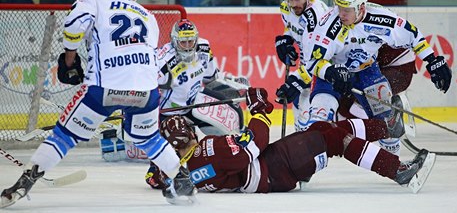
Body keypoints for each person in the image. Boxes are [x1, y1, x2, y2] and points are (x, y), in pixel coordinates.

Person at [0, 0, 196, 208]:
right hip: (146, 93)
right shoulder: (149, 16)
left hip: (104, 89)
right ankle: (182, 180)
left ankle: (24, 182)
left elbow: (73, 24)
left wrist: (69, 59)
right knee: (148, 139)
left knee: (64, 136)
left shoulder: (95, 1)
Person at [275, 0, 452, 155]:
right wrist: (330, 72)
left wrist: (433, 61)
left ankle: (396, 165)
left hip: (366, 71)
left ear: (361, 7)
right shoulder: (327, 24)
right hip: (332, 73)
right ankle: (308, 163)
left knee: (386, 126)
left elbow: (413, 35)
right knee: (319, 121)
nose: (340, 14)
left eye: (346, 10)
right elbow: (314, 61)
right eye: (339, 8)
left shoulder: (382, 18)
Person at [145, 87, 435, 193]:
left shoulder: (180, 170)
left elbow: (157, 178)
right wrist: (258, 109)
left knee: (323, 127)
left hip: (272, 170)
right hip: (275, 167)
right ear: (190, 134)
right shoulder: (209, 150)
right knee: (337, 139)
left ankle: (387, 128)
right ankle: (397, 170)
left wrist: (157, 171)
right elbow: (255, 142)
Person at [156, 18, 247, 135]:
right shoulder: (163, 62)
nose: (188, 46)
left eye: (191, 41)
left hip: (196, 105)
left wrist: (230, 83)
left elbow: (211, 79)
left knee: (228, 126)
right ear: (174, 41)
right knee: (184, 145)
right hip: (169, 113)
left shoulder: (203, 48)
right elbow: (148, 91)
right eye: (183, 42)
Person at [274, 0, 328, 132]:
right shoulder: (286, 8)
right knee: (299, 114)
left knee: (312, 122)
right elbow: (291, 28)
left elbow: (321, 57)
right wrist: (285, 40)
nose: (293, 4)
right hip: (305, 67)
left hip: (322, 68)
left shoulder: (319, 16)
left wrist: (299, 80)